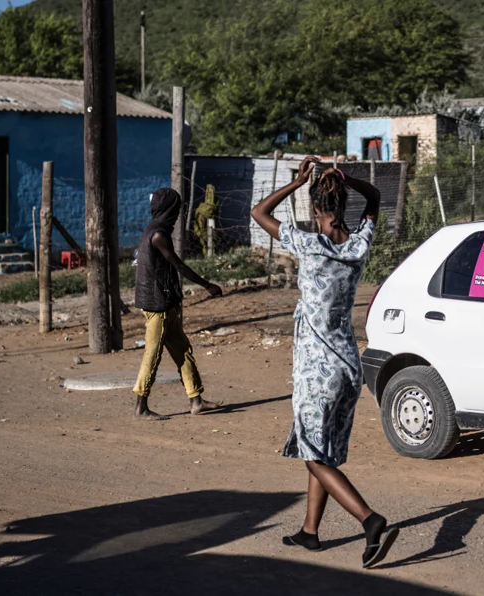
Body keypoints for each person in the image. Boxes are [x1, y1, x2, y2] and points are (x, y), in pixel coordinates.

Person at [251, 157, 398, 569]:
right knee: (321, 452)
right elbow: (375, 197)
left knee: (313, 454)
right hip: (349, 366)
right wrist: (346, 177)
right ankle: (310, 531)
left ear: (316, 209)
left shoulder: (307, 244)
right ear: (344, 206)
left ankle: (370, 520)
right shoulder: (359, 243)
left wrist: (297, 183)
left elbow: (258, 212)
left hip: (317, 371)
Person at [133, 188, 223, 420]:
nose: (177, 214)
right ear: (169, 210)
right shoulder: (158, 235)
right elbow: (179, 266)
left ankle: (196, 400)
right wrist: (207, 285)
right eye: (176, 209)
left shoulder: (153, 229)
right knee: (152, 355)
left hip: (164, 302)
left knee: (183, 350)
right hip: (158, 305)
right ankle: (140, 407)